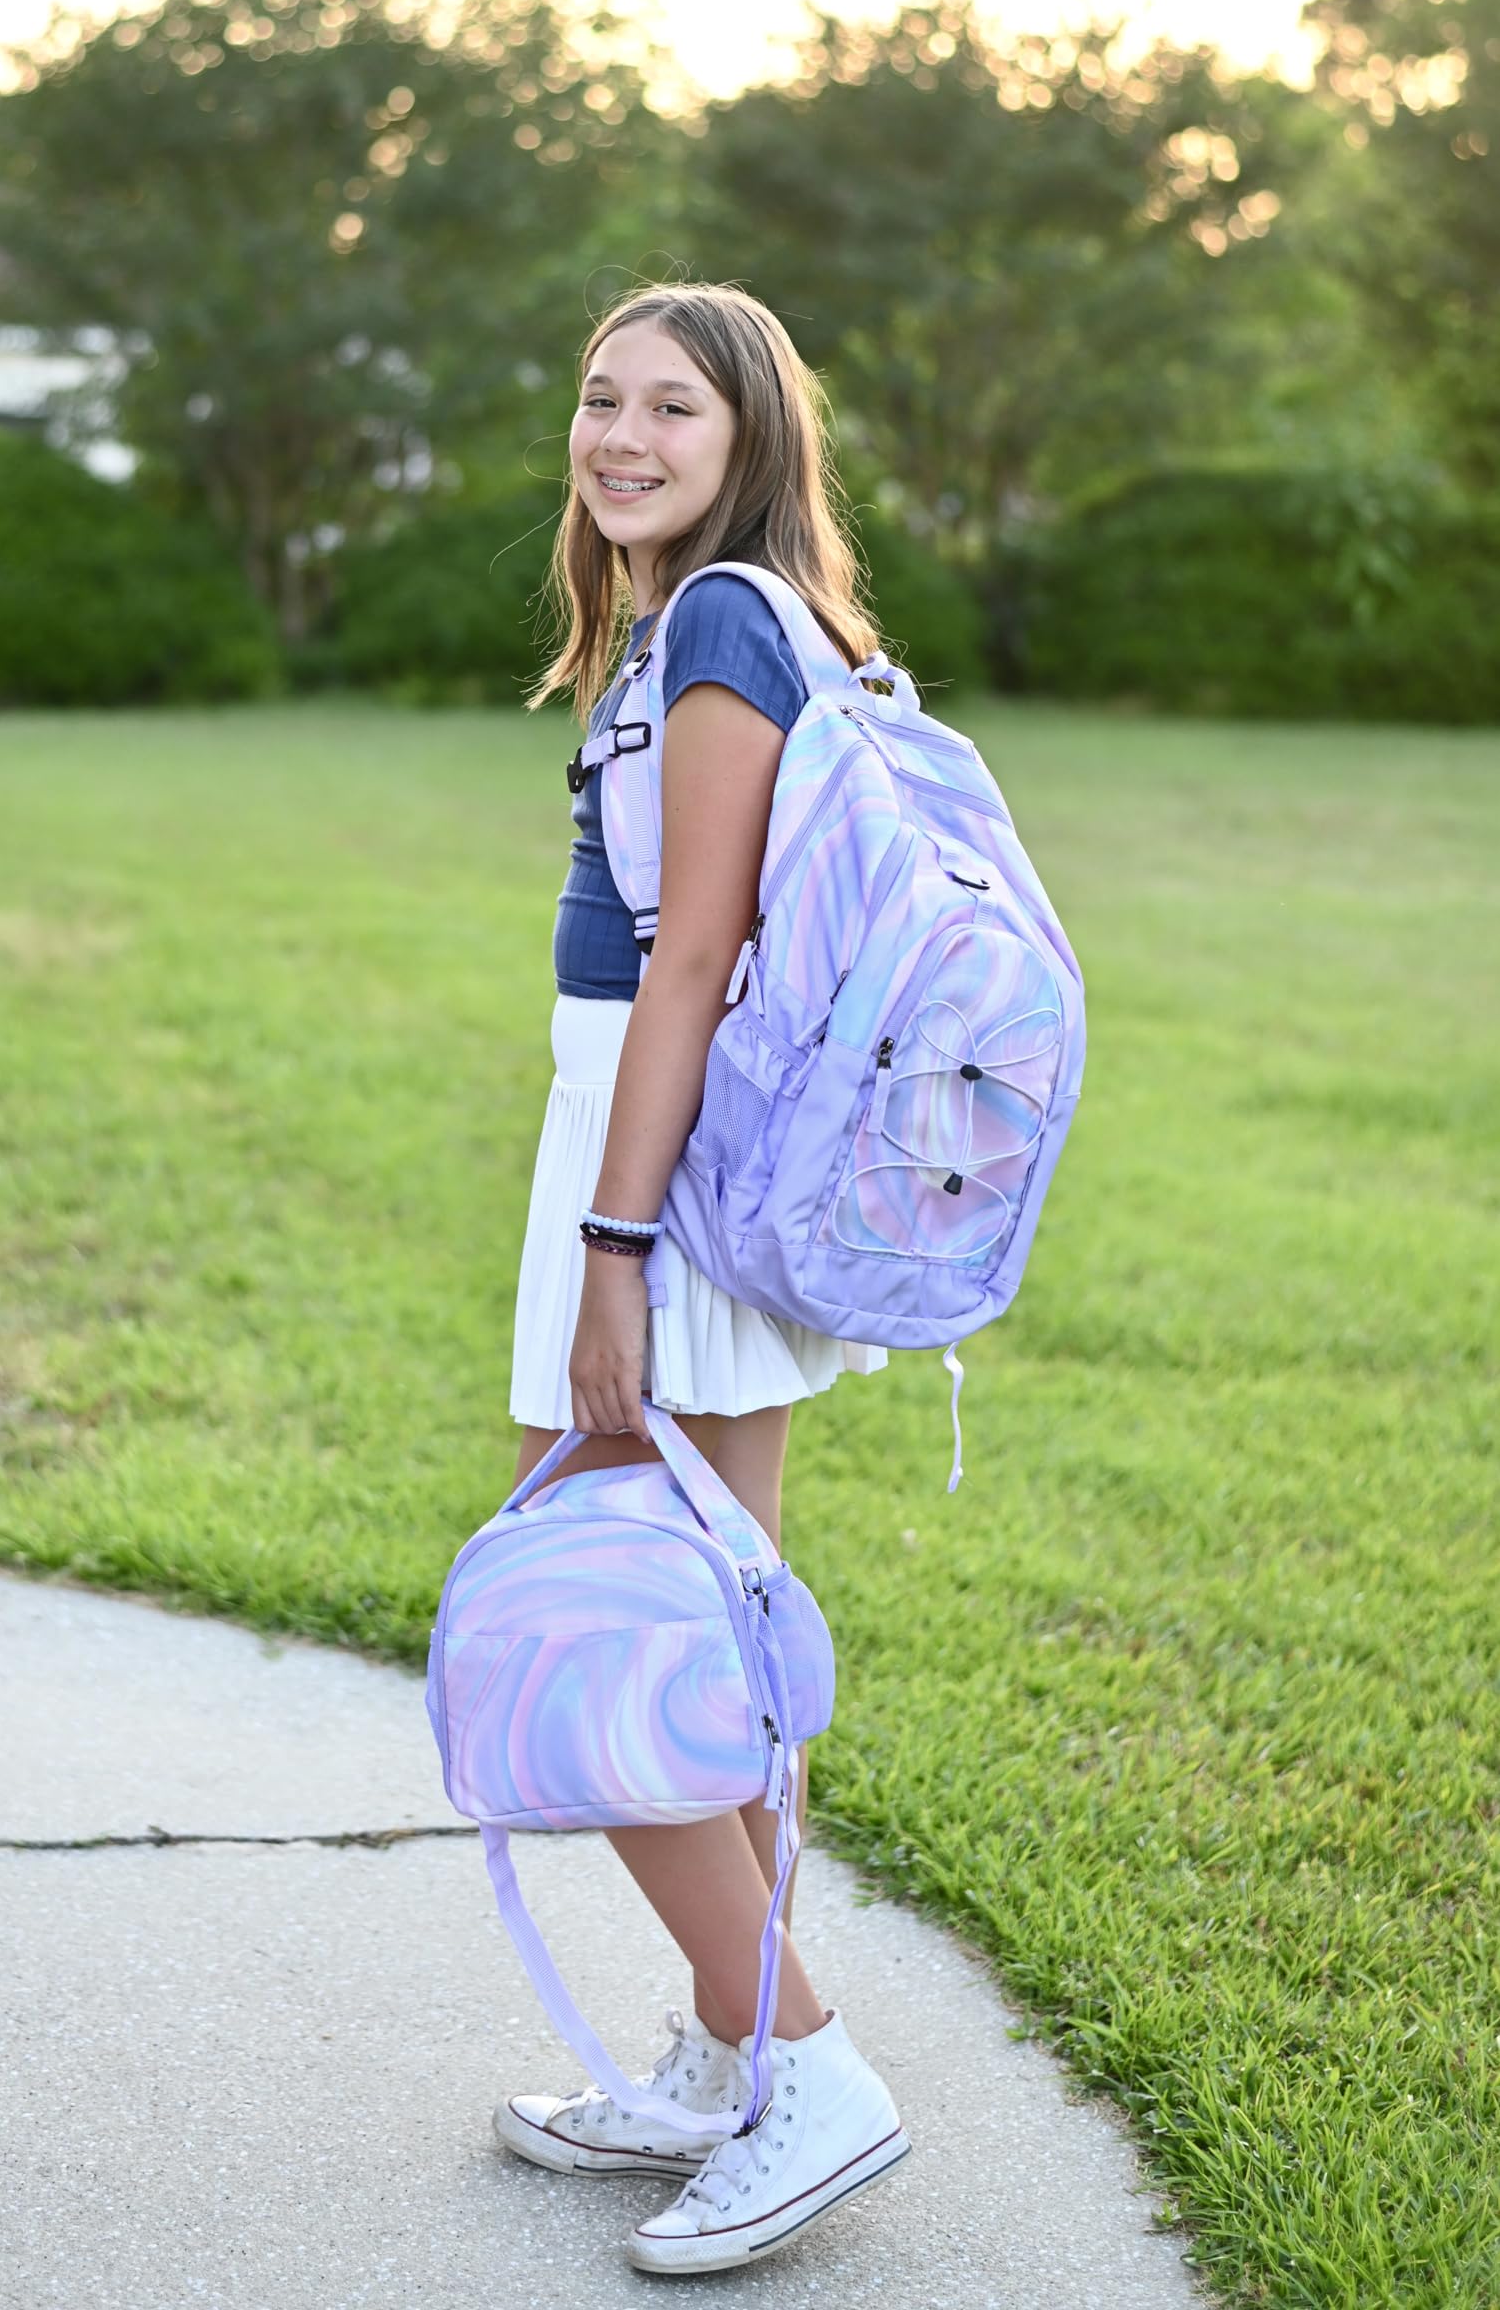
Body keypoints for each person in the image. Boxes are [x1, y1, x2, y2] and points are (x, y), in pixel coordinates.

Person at [493, 280, 912, 2274]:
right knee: (717, 1643)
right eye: (600, 398)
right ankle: (726, 2056)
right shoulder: (695, 623)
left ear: (750, 437)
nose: (623, 434)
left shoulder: (729, 616)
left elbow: (693, 958)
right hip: (681, 1166)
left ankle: (802, 2062)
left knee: (593, 1636)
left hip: (655, 1175)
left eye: (673, 403)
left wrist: (611, 1250)